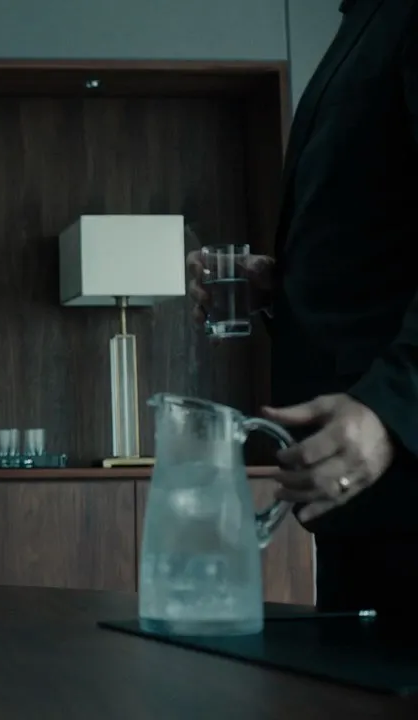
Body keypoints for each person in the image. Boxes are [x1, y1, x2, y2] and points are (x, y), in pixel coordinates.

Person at [187, 0, 418, 612]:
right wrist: (281, 288)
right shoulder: (364, 21)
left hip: (396, 466)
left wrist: (393, 408)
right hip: (358, 499)